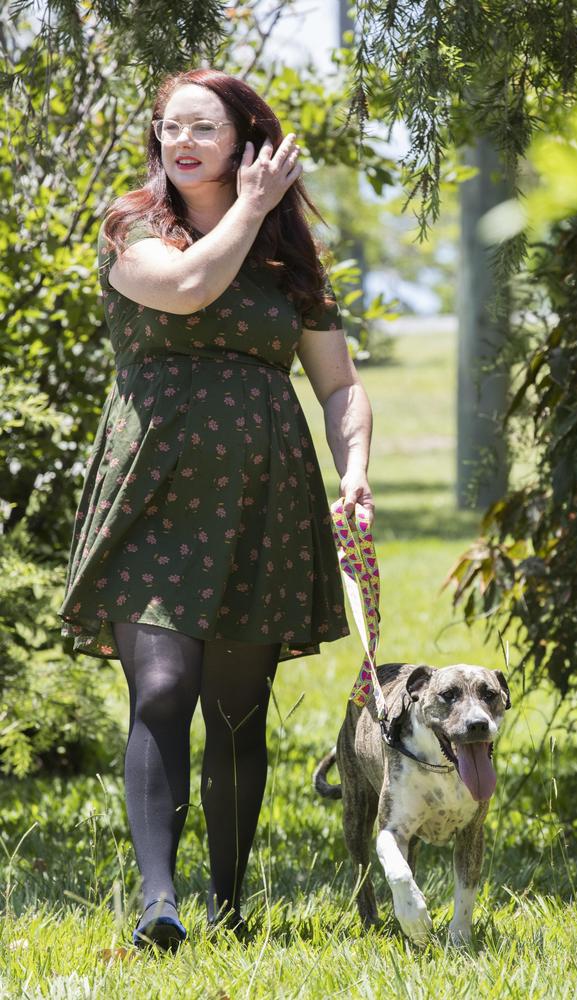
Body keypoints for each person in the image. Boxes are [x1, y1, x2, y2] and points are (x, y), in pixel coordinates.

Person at [57, 68, 373, 949]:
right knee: (161, 689)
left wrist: (355, 470)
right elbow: (189, 287)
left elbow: (340, 384)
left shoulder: (290, 261)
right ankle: (159, 901)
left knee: (237, 711)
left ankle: (228, 907)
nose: (182, 141)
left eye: (203, 126)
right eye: (169, 128)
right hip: (152, 488)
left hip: (261, 499)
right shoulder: (133, 227)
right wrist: (250, 205)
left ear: (244, 138)